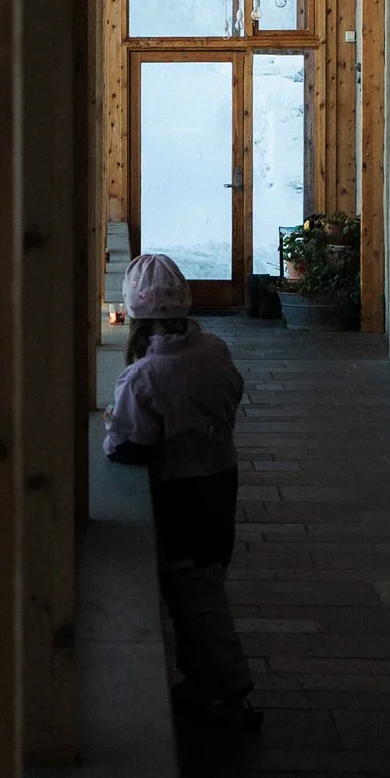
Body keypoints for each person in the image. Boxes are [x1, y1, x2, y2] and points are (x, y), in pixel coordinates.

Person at [103, 252, 259, 730]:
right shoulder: (214, 351)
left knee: (198, 599)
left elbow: (126, 444)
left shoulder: (143, 377)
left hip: (180, 498)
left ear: (133, 316)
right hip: (219, 482)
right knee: (204, 586)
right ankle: (202, 683)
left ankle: (232, 694)